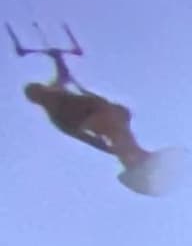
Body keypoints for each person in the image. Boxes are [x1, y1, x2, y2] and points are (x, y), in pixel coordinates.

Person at [13, 28, 176, 194]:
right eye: (39, 93)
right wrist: (102, 146)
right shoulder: (54, 110)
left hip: (103, 112)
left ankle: (141, 160)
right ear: (37, 98)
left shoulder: (54, 92)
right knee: (118, 135)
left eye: (40, 89)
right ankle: (137, 167)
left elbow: (63, 75)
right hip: (94, 118)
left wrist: (57, 58)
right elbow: (77, 133)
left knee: (122, 134)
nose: (43, 92)